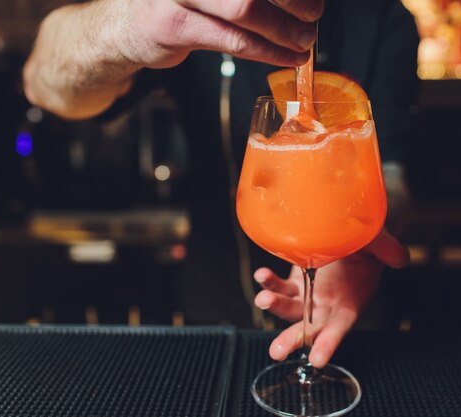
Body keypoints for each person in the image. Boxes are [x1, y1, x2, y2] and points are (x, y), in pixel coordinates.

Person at [23, 0, 418, 369]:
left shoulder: (384, 16)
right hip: (212, 306)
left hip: (350, 317)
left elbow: (391, 171)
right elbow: (42, 85)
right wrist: (130, 24)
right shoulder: (197, 8)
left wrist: (364, 238)